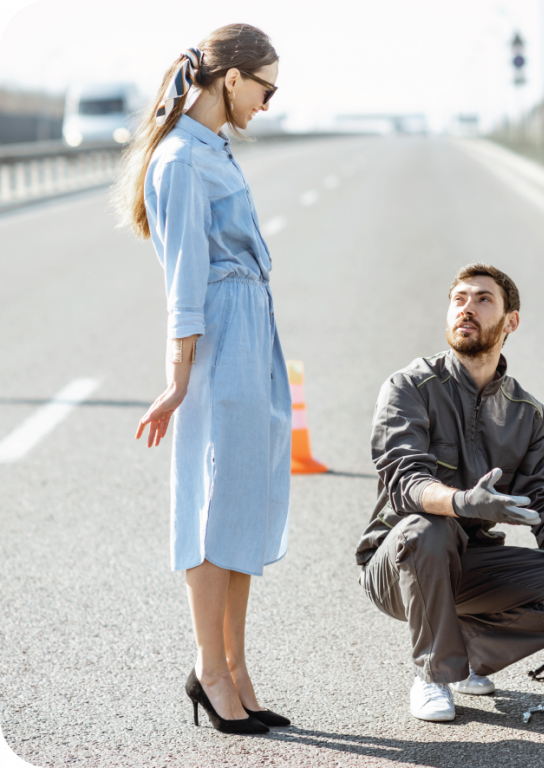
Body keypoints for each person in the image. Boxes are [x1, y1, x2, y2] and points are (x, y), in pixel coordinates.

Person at [358, 263, 544, 722]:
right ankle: (433, 674)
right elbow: (405, 483)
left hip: (472, 563)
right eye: (459, 299)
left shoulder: (529, 416)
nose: (467, 308)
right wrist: (464, 501)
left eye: (483, 299)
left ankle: (461, 653)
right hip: (399, 561)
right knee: (430, 529)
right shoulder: (409, 387)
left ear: (510, 322)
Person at [114, 24, 291, 735]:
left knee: (243, 506)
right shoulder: (183, 160)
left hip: (249, 330)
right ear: (230, 78)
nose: (270, 103)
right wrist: (176, 379)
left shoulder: (212, 149)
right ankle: (209, 671)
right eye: (266, 88)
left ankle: (236, 667)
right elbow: (185, 282)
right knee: (212, 509)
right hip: (218, 337)